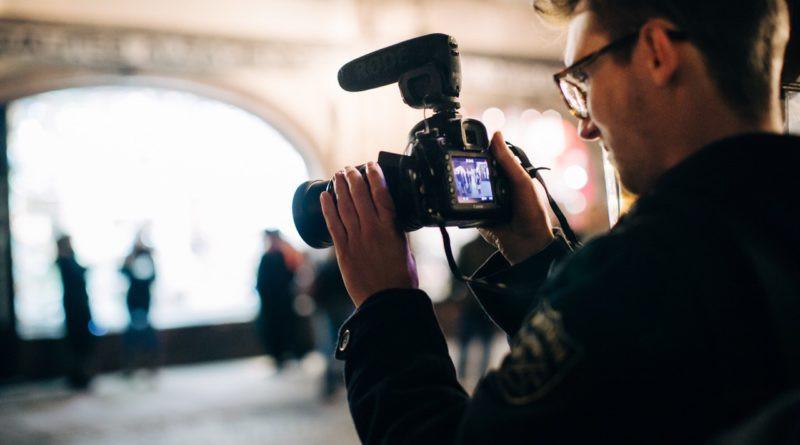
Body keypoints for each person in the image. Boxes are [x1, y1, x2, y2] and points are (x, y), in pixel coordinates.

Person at [319, 0, 800, 443]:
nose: (586, 124)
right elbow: (611, 395)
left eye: (583, 81)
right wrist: (535, 253)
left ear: (657, 52)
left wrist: (387, 306)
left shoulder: (648, 268)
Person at [448, 235, 497, 383]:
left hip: (473, 303)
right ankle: (473, 379)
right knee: (479, 343)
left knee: (471, 343)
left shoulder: (469, 248)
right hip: (482, 304)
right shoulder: (494, 249)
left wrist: (456, 297)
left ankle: (464, 378)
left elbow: (456, 278)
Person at [255, 229, 303, 370]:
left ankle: (288, 355)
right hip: (272, 304)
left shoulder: (284, 256)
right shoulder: (269, 257)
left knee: (286, 329)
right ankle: (279, 357)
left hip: (281, 303)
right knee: (274, 330)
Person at [55, 235, 95, 389]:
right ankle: (78, 376)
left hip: (80, 307)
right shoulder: (64, 261)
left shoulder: (70, 260)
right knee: (77, 343)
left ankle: (82, 375)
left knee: (83, 343)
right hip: (74, 309)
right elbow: (76, 276)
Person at [310, 251, 351, 399]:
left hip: (329, 311)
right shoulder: (348, 264)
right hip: (344, 310)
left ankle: (332, 384)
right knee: (343, 348)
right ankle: (339, 382)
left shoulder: (325, 267)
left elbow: (317, 291)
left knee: (331, 349)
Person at [120, 234, 158, 373]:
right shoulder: (131, 258)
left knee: (146, 330)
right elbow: (123, 272)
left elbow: (153, 277)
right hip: (134, 298)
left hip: (144, 298)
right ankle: (131, 363)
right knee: (133, 331)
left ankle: (150, 362)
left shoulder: (147, 257)